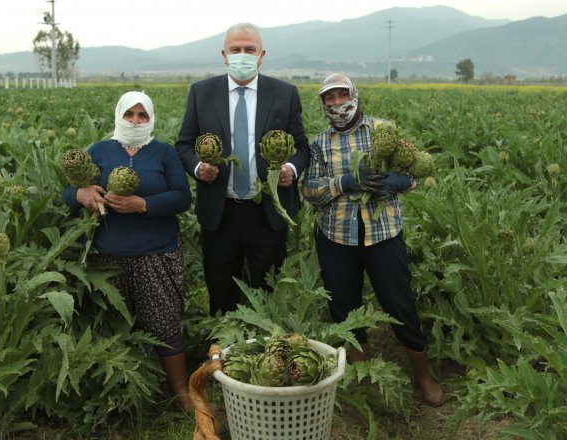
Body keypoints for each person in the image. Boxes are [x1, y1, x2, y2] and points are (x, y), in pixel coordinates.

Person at [301, 73, 445, 407]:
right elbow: (310, 191)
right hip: (337, 237)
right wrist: (346, 182)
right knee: (345, 310)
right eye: (329, 99)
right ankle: (364, 380)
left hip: (383, 236)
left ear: (355, 95)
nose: (337, 104)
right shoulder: (320, 143)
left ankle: (424, 377)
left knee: (400, 304)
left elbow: (415, 173)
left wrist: (400, 181)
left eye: (342, 95)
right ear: (323, 105)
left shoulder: (384, 130)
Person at [62, 91, 193, 410]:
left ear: (151, 118)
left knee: (163, 323)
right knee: (115, 325)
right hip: (107, 256)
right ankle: (123, 394)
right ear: (119, 115)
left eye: (142, 115)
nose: (135, 121)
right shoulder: (100, 151)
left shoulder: (164, 153)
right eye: (130, 114)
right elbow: (69, 192)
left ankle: (181, 392)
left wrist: (143, 204)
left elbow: (181, 197)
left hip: (156, 253)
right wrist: (80, 194)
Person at [175, 23, 310, 315]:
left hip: (267, 212)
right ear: (224, 55)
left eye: (249, 49)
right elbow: (184, 143)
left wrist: (290, 168)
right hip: (220, 213)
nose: (242, 55)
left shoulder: (285, 94)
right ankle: (223, 354)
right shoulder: (202, 93)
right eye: (235, 49)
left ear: (262, 55)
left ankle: (267, 355)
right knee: (221, 295)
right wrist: (199, 168)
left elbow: (302, 147)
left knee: (270, 297)